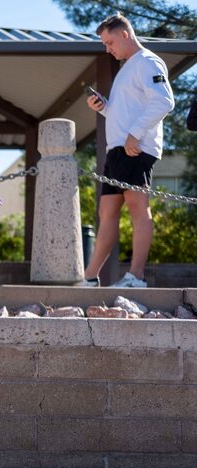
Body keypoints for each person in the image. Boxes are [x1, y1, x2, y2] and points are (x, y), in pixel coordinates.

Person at [81, 13, 174, 288]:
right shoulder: (128, 68)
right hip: (117, 151)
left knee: (138, 210)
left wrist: (136, 134)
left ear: (124, 34)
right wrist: (105, 107)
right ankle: (88, 278)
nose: (107, 49)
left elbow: (164, 101)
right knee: (107, 213)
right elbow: (127, 113)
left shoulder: (147, 62)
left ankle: (137, 277)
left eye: (109, 42)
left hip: (136, 150)